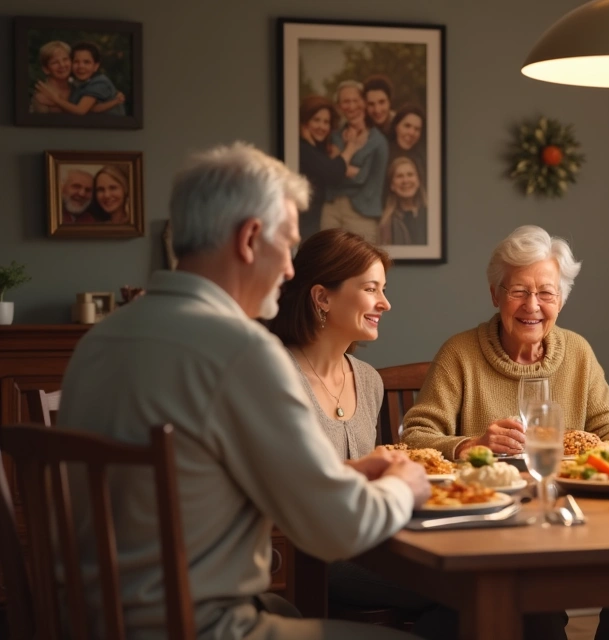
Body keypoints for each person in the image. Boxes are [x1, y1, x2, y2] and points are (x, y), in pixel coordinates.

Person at [57, 141, 429, 639]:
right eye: (287, 243)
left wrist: (340, 475)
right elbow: (340, 530)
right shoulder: (240, 349)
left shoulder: (101, 340)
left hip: (93, 622)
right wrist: (403, 486)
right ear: (251, 238)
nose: (291, 269)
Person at [399, 224, 609, 640]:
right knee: (532, 601)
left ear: (561, 299)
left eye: (546, 292)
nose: (533, 305)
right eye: (518, 291)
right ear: (495, 294)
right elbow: (415, 436)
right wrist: (469, 444)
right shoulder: (460, 353)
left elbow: (608, 430)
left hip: (576, 518)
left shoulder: (578, 353)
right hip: (496, 525)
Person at [266, 228, 457, 636]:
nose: (385, 303)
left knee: (468, 591)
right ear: (322, 297)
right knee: (464, 588)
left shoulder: (368, 379)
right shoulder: (277, 374)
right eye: (371, 289)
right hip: (312, 559)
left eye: (382, 290)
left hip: (375, 547)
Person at [321, 80, 388, 244]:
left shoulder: (378, 141)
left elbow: (361, 177)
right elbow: (329, 173)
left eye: (355, 100)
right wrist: (345, 168)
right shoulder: (335, 136)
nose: (351, 106)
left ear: (364, 102)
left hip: (362, 212)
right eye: (345, 101)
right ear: (338, 106)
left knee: (362, 265)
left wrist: (340, 161)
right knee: (326, 263)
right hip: (332, 207)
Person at [298, 96, 365, 238]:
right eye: (316, 120)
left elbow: (329, 167)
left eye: (326, 122)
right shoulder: (302, 148)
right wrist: (351, 147)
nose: (321, 126)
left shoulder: (316, 149)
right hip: (304, 223)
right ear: (305, 122)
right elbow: (333, 173)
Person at [36, 41, 125, 116]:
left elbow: (80, 111)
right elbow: (90, 110)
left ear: (96, 66)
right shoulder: (79, 84)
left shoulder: (97, 83)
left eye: (86, 62)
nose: (81, 66)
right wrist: (114, 102)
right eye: (76, 62)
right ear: (46, 69)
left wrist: (55, 100)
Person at [379, 156, 427, 245]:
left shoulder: (431, 215)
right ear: (392, 185)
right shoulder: (386, 224)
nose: (405, 180)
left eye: (410, 174)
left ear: (418, 180)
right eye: (399, 176)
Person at [386, 103, 427, 186]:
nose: (412, 133)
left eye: (417, 129)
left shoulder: (422, 157)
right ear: (396, 126)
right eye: (407, 126)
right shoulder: (383, 152)